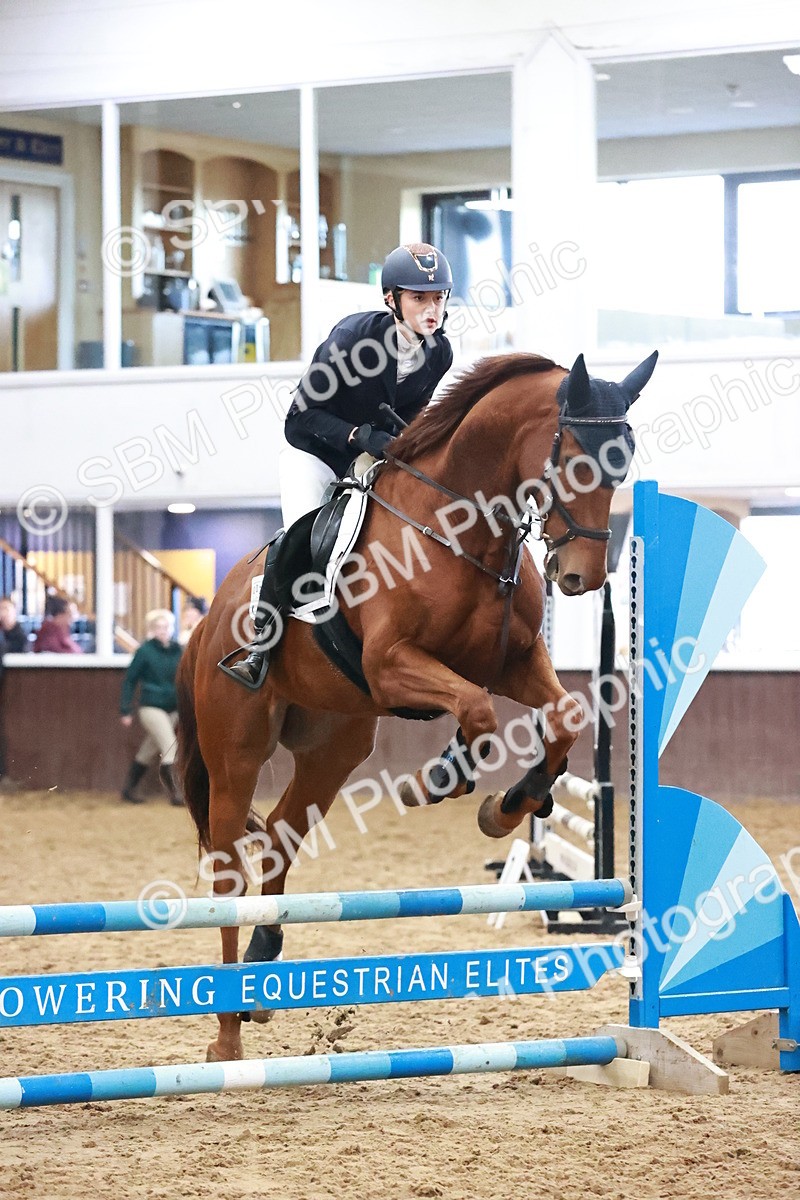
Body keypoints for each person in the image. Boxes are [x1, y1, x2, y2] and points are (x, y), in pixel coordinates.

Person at [227, 242, 454, 688]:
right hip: (314, 451)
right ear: (391, 299)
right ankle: (261, 644)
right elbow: (301, 414)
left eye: (439, 298)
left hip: (368, 459)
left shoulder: (439, 353)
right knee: (303, 532)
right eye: (419, 298)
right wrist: (356, 435)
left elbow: (416, 417)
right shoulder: (354, 340)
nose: (432, 309)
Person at [119, 608, 183, 805]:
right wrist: (125, 709)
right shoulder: (144, 651)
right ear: (152, 629)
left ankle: (129, 789)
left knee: (148, 750)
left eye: (166, 627)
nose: (163, 630)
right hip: (151, 706)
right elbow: (130, 680)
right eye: (158, 627)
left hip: (174, 708)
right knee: (170, 746)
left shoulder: (179, 650)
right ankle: (176, 794)